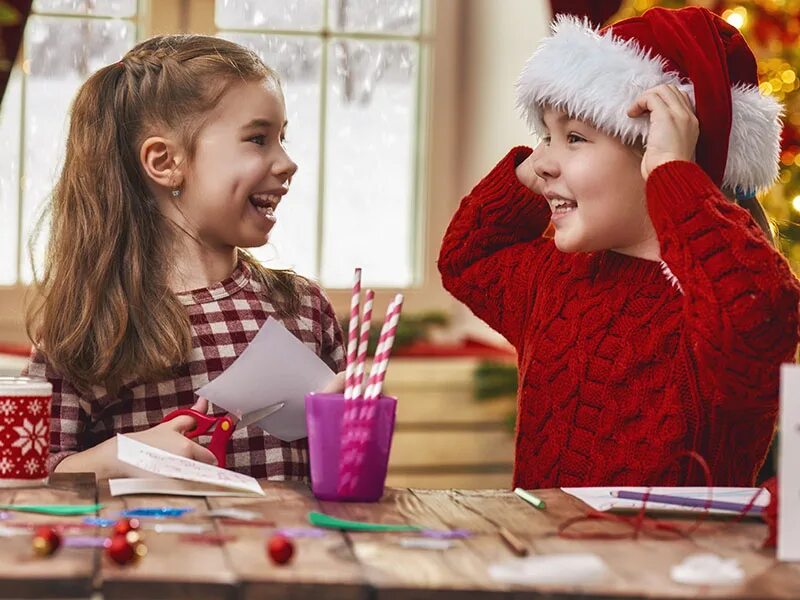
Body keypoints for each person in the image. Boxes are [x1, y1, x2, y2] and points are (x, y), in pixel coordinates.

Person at [439, 7, 800, 488]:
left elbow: (761, 313)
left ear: (659, 156)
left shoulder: (715, 310)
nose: (543, 159)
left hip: (671, 564)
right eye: (544, 135)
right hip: (543, 560)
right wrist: (532, 167)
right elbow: (467, 257)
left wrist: (676, 173)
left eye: (574, 137)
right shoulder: (555, 279)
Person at [24, 35, 345, 479]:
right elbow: (34, 481)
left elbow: (345, 479)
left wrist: (356, 429)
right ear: (165, 161)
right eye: (258, 139)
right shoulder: (88, 322)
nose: (287, 162)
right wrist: (119, 458)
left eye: (282, 139)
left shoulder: (304, 310)